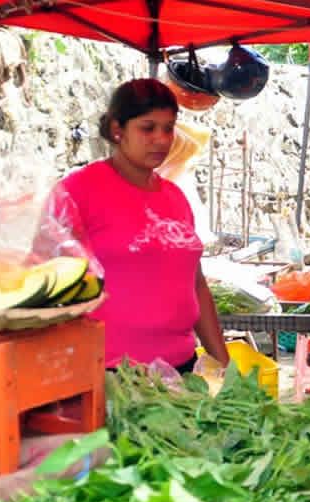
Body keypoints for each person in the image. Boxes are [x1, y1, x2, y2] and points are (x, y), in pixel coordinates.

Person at [44, 79, 229, 372]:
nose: (162, 139)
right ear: (118, 130)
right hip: (111, 374)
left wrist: (223, 364)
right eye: (148, 128)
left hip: (181, 367)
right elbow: (47, 284)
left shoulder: (175, 197)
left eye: (168, 128)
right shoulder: (77, 192)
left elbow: (196, 285)